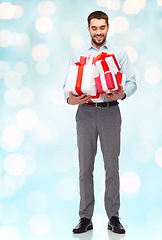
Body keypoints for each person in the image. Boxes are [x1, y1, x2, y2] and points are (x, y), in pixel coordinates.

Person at [63, 10, 137, 234]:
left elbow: (132, 82)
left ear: (108, 27)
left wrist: (121, 95)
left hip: (110, 112)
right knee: (85, 168)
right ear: (88, 29)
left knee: (111, 167)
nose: (98, 32)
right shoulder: (78, 55)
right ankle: (85, 218)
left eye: (102, 27)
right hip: (84, 112)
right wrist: (71, 99)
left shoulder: (119, 53)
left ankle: (113, 217)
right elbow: (66, 88)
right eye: (94, 28)